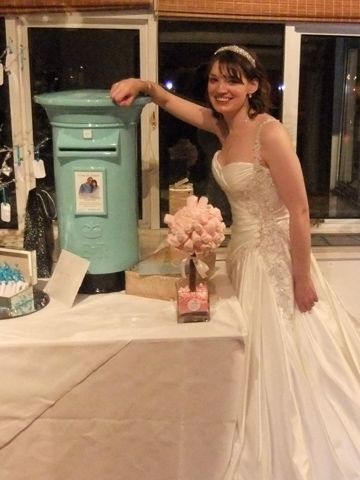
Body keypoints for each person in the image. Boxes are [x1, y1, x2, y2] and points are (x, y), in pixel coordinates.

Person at [110, 45, 360, 480]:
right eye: (213, 80)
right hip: (241, 258)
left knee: (284, 355)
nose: (220, 88)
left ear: (252, 86)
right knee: (244, 349)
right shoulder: (223, 128)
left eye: (231, 79)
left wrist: (301, 278)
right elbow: (173, 103)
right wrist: (144, 86)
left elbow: (299, 210)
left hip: (275, 261)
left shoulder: (270, 133)